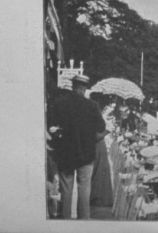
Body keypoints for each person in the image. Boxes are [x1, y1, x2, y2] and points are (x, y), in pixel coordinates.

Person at [48, 74, 106, 219]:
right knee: (84, 190)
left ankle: (65, 220)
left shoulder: (59, 104)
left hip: (65, 154)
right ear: (84, 88)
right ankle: (84, 221)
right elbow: (101, 126)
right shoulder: (93, 106)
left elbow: (52, 127)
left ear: (73, 86)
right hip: (86, 154)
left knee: (66, 190)